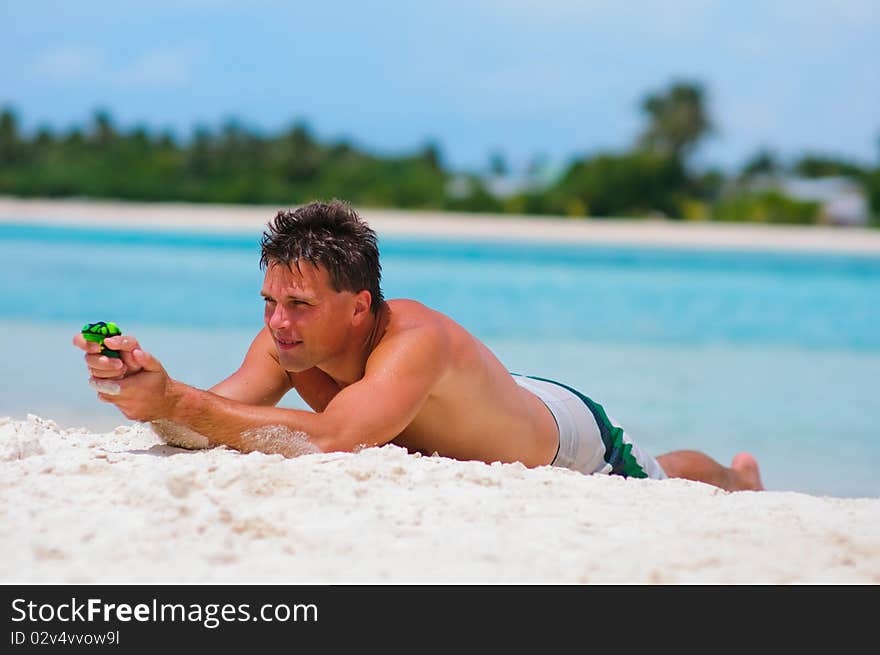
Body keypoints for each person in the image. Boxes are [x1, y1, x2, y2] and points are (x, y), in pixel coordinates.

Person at [73, 200, 763, 492]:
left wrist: (178, 402)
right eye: (271, 302)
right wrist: (143, 387)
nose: (280, 322)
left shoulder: (416, 340)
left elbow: (331, 438)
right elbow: (212, 415)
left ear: (359, 306)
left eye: (300, 305)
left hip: (568, 439)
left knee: (663, 475)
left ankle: (737, 477)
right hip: (477, 396)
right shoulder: (288, 342)